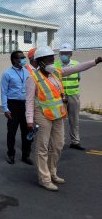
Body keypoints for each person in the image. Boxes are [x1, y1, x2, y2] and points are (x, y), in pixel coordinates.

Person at [26, 46, 102, 191]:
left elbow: (78, 68)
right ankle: (44, 178)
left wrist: (96, 61)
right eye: (49, 60)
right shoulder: (33, 78)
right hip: (42, 114)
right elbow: (29, 101)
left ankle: (52, 172)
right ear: (41, 62)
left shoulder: (56, 73)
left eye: (53, 59)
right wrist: (29, 120)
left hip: (58, 114)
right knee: (42, 147)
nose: (52, 62)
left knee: (58, 144)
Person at [0, 50, 33, 165]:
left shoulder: (28, 72)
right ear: (14, 60)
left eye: (24, 57)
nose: (24, 59)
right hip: (13, 105)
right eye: (21, 57)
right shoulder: (7, 73)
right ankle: (11, 155)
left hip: (26, 104)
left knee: (27, 131)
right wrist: (5, 108)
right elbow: (3, 92)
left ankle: (26, 155)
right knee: (12, 132)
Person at [54, 43, 84, 150]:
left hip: (73, 95)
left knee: (74, 120)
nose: (64, 55)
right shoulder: (55, 65)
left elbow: (78, 79)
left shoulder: (77, 65)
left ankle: (75, 142)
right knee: (59, 120)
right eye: (62, 53)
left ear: (71, 54)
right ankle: (59, 142)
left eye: (66, 53)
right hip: (59, 96)